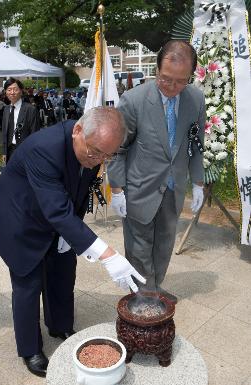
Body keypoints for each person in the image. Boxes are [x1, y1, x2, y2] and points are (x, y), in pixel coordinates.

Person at [0, 107, 145, 378]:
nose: (99, 160)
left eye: (108, 155)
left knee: (62, 272)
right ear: (77, 131)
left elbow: (77, 192)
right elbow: (57, 210)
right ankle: (30, 348)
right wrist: (107, 254)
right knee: (28, 282)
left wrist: (69, 233)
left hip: (55, 216)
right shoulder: (44, 148)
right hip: (20, 218)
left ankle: (59, 325)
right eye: (95, 152)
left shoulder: (93, 147)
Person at [108, 40, 206, 301]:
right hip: (139, 187)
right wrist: (116, 189)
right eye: (166, 79)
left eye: (180, 81)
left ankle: (155, 287)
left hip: (173, 187)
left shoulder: (195, 99)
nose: (172, 87)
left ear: (191, 76)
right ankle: (143, 296)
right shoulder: (133, 100)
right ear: (156, 70)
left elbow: (196, 145)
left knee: (164, 245)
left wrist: (198, 182)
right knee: (140, 247)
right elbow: (118, 148)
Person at [2, 78, 40, 163]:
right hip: (10, 151)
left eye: (15, 89)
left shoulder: (30, 109)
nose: (12, 92)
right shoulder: (6, 109)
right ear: (6, 92)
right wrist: (4, 152)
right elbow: (5, 133)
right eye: (9, 90)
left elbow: (35, 134)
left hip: (24, 151)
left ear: (21, 91)